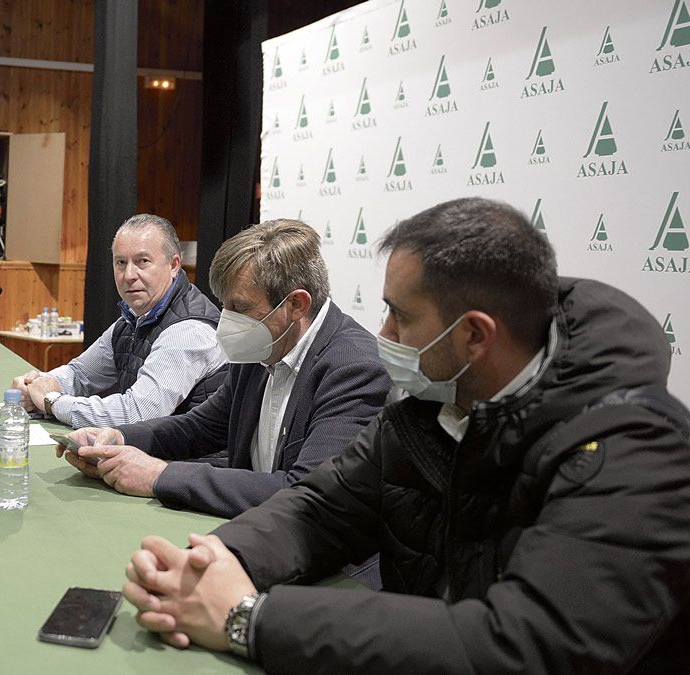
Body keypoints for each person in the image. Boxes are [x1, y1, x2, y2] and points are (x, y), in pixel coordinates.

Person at [120, 197, 690, 672]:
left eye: (400, 316)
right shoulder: (431, 407)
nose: (383, 331)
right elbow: (321, 507)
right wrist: (217, 560)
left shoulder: (636, 454)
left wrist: (249, 619)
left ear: (475, 336)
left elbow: (528, 642)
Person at [61, 220, 391, 526]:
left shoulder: (355, 369)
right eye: (225, 305)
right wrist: (117, 437)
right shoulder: (262, 346)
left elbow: (305, 492)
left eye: (240, 307)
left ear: (297, 305)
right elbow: (201, 427)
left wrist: (161, 476)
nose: (227, 320)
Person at [11, 214, 227, 427]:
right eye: (121, 262)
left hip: (192, 460)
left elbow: (136, 413)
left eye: (142, 261)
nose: (128, 274)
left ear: (174, 265)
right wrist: (40, 384)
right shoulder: (133, 319)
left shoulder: (189, 330)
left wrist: (52, 402)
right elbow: (81, 373)